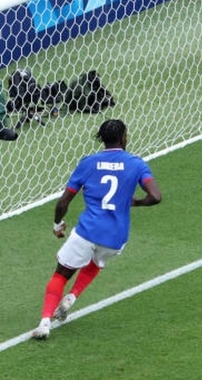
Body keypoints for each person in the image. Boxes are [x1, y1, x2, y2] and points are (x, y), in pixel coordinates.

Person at [31, 119, 162, 339]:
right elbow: (156, 197)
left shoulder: (89, 163)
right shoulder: (137, 164)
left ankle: (44, 324)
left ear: (102, 139)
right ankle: (71, 298)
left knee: (61, 274)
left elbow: (63, 202)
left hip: (87, 231)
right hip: (116, 238)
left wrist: (57, 224)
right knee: (96, 260)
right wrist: (136, 202)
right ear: (124, 137)